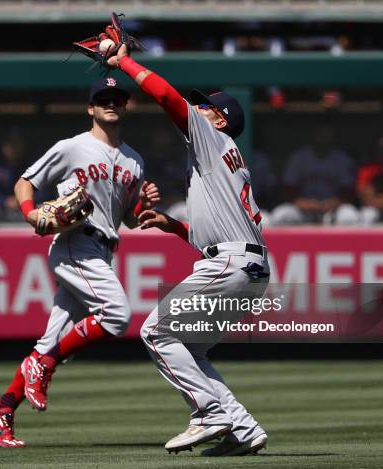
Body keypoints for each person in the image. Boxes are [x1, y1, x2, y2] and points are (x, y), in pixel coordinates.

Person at [0, 78, 160, 447]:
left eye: (117, 99)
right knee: (117, 315)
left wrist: (144, 204)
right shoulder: (72, 147)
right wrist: (30, 214)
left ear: (126, 107)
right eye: (102, 99)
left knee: (52, 339)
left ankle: (0, 411)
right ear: (90, 108)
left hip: (104, 249)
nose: (111, 104)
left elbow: (128, 219)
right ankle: (43, 367)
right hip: (76, 243)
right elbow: (25, 182)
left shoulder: (134, 160)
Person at [107, 44, 269, 456]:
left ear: (221, 119)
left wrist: (124, 62)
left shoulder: (213, 138)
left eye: (206, 107)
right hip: (247, 265)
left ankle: (209, 415)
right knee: (190, 348)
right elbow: (207, 237)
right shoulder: (223, 162)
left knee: (156, 331)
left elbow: (165, 97)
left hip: (232, 262)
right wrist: (173, 225)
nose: (198, 109)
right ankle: (242, 429)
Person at [271, 125, 359, 225]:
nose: (323, 139)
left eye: (327, 136)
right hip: (303, 208)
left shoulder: (343, 159)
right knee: (282, 214)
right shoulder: (299, 157)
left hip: (334, 208)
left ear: (333, 138)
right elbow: (287, 188)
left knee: (350, 216)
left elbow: (349, 190)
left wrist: (334, 202)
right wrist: (300, 202)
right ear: (313, 137)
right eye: (321, 135)